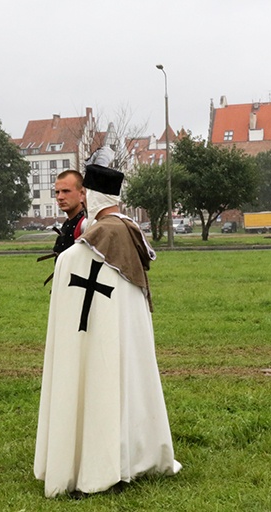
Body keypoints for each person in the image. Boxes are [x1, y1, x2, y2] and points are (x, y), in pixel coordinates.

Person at [34, 148, 181, 498]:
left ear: (92, 197)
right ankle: (133, 457)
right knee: (127, 388)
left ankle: (96, 468)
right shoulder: (132, 234)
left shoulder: (79, 253)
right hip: (124, 342)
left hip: (95, 342)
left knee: (97, 388)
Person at [52, 170, 87, 256]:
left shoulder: (87, 224)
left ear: (82, 193)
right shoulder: (67, 224)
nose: (60, 197)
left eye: (66, 191)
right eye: (57, 192)